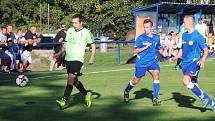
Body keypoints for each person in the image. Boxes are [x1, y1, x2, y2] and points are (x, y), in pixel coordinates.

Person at [170, 15, 215, 112]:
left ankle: (204, 98)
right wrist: (175, 58)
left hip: (194, 62)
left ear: (190, 23)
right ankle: (212, 103)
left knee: (185, 81)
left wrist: (202, 60)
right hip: (185, 65)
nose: (183, 24)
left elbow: (205, 50)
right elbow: (182, 50)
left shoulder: (197, 36)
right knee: (195, 87)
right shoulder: (185, 35)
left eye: (184, 22)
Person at [56, 14, 96, 109]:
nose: (74, 24)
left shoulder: (86, 32)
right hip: (68, 59)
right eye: (73, 22)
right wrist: (59, 53)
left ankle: (64, 100)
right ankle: (87, 94)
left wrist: (92, 57)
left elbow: (93, 45)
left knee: (70, 79)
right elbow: (65, 44)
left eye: (76, 23)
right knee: (74, 81)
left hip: (77, 59)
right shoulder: (70, 30)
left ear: (81, 23)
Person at [123, 18, 163, 105]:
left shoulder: (157, 37)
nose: (146, 29)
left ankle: (155, 98)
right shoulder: (140, 38)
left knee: (156, 75)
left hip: (152, 62)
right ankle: (126, 90)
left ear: (152, 27)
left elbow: (159, 47)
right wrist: (145, 47)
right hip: (142, 63)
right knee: (135, 81)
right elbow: (135, 51)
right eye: (144, 27)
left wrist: (163, 52)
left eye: (147, 27)